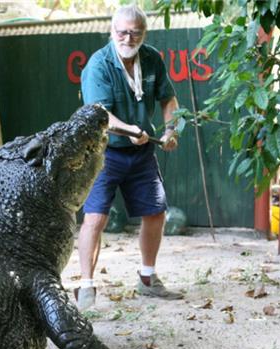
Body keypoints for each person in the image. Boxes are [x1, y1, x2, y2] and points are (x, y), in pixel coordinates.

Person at [74, 4, 183, 310]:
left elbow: (168, 98)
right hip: (103, 152)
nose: (128, 38)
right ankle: (86, 287)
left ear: (143, 34)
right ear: (113, 31)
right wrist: (131, 130)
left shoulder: (151, 58)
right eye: (122, 32)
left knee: (156, 212)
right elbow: (100, 116)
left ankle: (148, 279)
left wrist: (171, 129)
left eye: (135, 32)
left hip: (142, 151)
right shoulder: (99, 65)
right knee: (95, 218)